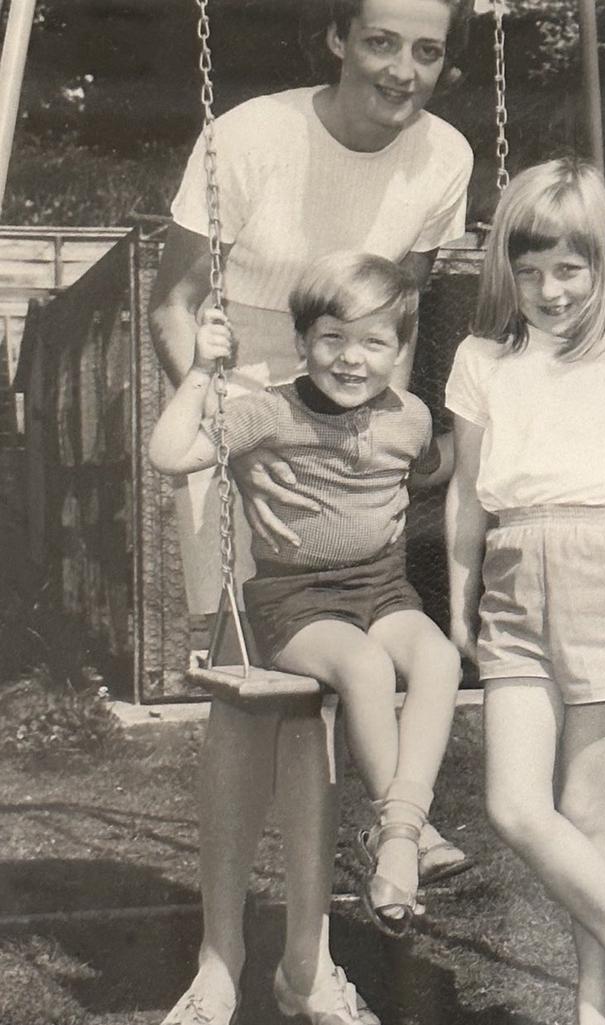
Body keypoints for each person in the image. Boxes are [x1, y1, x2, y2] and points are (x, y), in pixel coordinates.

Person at [148, 3, 474, 1023]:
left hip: (347, 433)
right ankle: (217, 958)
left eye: (427, 50)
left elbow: (405, 316)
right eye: (382, 42)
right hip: (240, 415)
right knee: (253, 704)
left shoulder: (446, 159)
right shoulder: (248, 137)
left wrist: (372, 438)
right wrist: (232, 426)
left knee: (336, 693)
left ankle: (305, 962)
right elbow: (173, 301)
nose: (402, 70)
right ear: (338, 39)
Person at [444, 157, 605, 1025]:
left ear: (602, 266)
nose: (550, 290)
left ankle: (596, 1005)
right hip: (513, 572)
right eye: (529, 272)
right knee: (515, 804)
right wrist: (459, 597)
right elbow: (465, 490)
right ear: (505, 273)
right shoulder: (482, 360)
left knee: (586, 802)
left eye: (569, 269)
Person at [151, 250, 462, 937]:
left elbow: (442, 462)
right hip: (298, 603)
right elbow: (170, 455)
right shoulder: (268, 413)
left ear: (400, 350)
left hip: (382, 589)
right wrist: (202, 372)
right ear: (301, 342)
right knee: (365, 667)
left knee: (439, 658)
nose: (352, 360)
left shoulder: (407, 418)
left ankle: (400, 831)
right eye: (332, 339)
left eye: (374, 343)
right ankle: (404, 835)